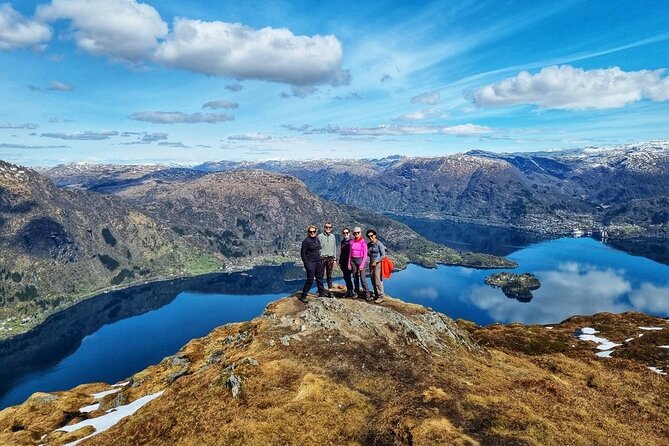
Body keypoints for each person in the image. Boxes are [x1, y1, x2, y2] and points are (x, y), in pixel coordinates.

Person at [299, 225, 326, 303]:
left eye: (314, 231)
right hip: (310, 262)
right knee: (310, 279)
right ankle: (303, 296)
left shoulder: (317, 239)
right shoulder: (306, 241)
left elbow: (318, 250)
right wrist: (306, 264)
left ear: (316, 232)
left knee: (319, 278)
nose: (312, 233)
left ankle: (321, 293)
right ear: (308, 232)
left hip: (318, 261)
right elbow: (303, 254)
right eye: (310, 232)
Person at [348, 227, 370, 299]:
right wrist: (349, 263)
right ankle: (356, 292)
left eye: (358, 232)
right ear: (353, 234)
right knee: (355, 278)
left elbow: (365, 255)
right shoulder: (352, 242)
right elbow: (350, 253)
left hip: (360, 261)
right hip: (353, 261)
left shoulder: (363, 243)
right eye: (355, 233)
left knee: (363, 279)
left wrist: (362, 264)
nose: (356, 234)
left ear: (360, 233)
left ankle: (367, 294)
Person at [366, 229, 386, 303]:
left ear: (375, 235)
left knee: (378, 280)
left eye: (371, 235)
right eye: (369, 236)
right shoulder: (369, 245)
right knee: (372, 280)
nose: (370, 237)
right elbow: (368, 253)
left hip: (378, 264)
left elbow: (383, 255)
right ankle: (377, 295)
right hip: (371, 264)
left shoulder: (379, 244)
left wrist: (376, 261)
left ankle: (381, 296)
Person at [318, 222, 336, 297]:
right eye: (326, 227)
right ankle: (321, 292)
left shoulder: (333, 236)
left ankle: (330, 291)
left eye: (329, 227)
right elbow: (317, 248)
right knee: (320, 276)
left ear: (331, 228)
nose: (328, 228)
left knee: (329, 275)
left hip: (330, 258)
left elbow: (334, 247)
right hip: (322, 258)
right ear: (324, 227)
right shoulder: (320, 236)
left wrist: (334, 259)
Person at [339, 227, 354, 297]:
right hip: (343, 262)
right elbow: (342, 252)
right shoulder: (342, 242)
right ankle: (349, 290)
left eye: (347, 233)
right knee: (346, 277)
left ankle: (352, 291)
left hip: (350, 262)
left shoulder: (352, 242)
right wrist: (340, 261)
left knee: (348, 276)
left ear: (349, 233)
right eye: (344, 233)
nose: (345, 234)